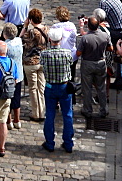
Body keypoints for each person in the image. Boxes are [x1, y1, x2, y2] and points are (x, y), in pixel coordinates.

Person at [39, 25, 73, 153]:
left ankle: (50, 142)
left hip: (50, 86)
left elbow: (42, 65)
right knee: (67, 115)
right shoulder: (66, 53)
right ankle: (68, 143)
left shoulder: (45, 54)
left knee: (50, 115)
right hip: (64, 85)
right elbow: (70, 63)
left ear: (49, 40)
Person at [76, 15, 110, 119]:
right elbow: (110, 48)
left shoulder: (85, 38)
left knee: (87, 87)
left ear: (88, 26)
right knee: (101, 87)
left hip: (88, 64)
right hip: (100, 63)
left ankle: (87, 110)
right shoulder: (105, 35)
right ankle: (104, 109)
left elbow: (78, 53)